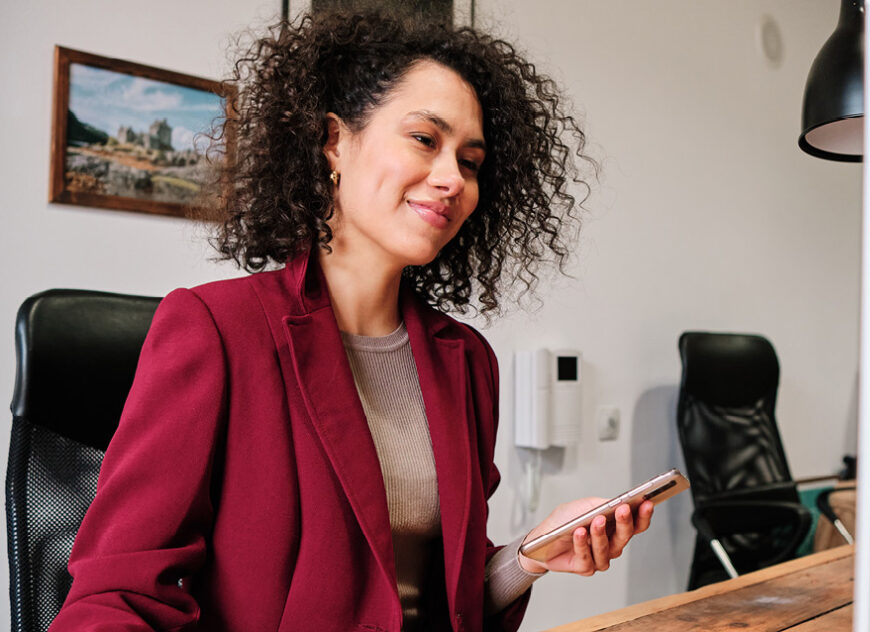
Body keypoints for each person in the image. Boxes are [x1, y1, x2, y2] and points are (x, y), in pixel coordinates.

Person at [51, 9, 654, 632]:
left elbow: (436, 598)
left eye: (470, 162)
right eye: (425, 139)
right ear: (334, 141)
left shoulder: (467, 360)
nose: (451, 179)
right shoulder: (217, 329)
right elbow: (116, 598)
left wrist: (530, 557)